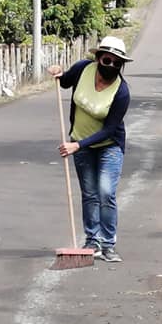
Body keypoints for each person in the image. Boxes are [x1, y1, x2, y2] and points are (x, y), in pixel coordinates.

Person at [48, 36, 132, 263]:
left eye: (117, 63)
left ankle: (108, 244)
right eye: (107, 60)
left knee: (105, 192)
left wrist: (77, 145)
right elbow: (64, 82)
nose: (111, 65)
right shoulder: (83, 69)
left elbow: (109, 130)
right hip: (80, 144)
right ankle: (92, 241)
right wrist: (58, 72)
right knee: (90, 193)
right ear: (98, 58)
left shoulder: (122, 92)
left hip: (109, 146)